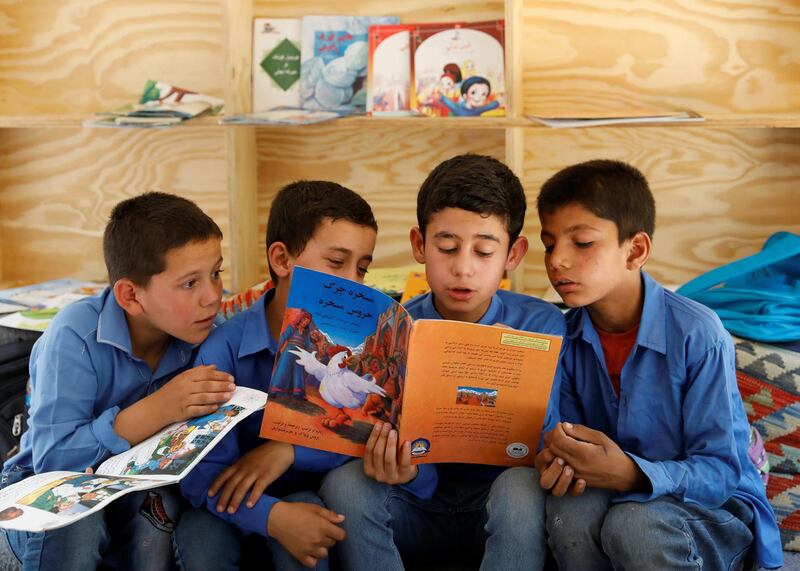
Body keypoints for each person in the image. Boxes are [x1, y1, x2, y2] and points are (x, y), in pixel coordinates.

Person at [320, 154, 566, 570]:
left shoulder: (542, 324)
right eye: (447, 247)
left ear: (513, 253)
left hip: (501, 507)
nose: (463, 268)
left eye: (484, 251)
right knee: (345, 485)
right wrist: (401, 467)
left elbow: (547, 435)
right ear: (420, 245)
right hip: (415, 501)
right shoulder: (394, 327)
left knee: (521, 489)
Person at [534, 159, 783, 570]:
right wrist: (560, 457)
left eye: (581, 243)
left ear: (635, 250)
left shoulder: (697, 333)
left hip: (713, 512)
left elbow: (719, 472)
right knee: (571, 513)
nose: (557, 260)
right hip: (616, 501)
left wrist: (632, 474)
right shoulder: (562, 337)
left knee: (634, 525)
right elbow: (571, 439)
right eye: (549, 243)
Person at [176, 181, 436, 570]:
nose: (352, 282)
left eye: (362, 268)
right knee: (200, 541)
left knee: (311, 526)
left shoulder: (352, 351)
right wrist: (270, 517)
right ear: (281, 260)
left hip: (309, 500)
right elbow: (199, 472)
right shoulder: (223, 350)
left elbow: (421, 475)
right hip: (226, 504)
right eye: (336, 263)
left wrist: (290, 450)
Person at [1, 192, 233, 570]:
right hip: (40, 492)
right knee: (77, 515)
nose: (212, 297)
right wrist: (160, 408)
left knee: (158, 512)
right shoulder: (73, 336)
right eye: (190, 283)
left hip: (140, 484)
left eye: (216, 273)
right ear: (130, 295)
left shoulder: (208, 331)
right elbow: (55, 461)